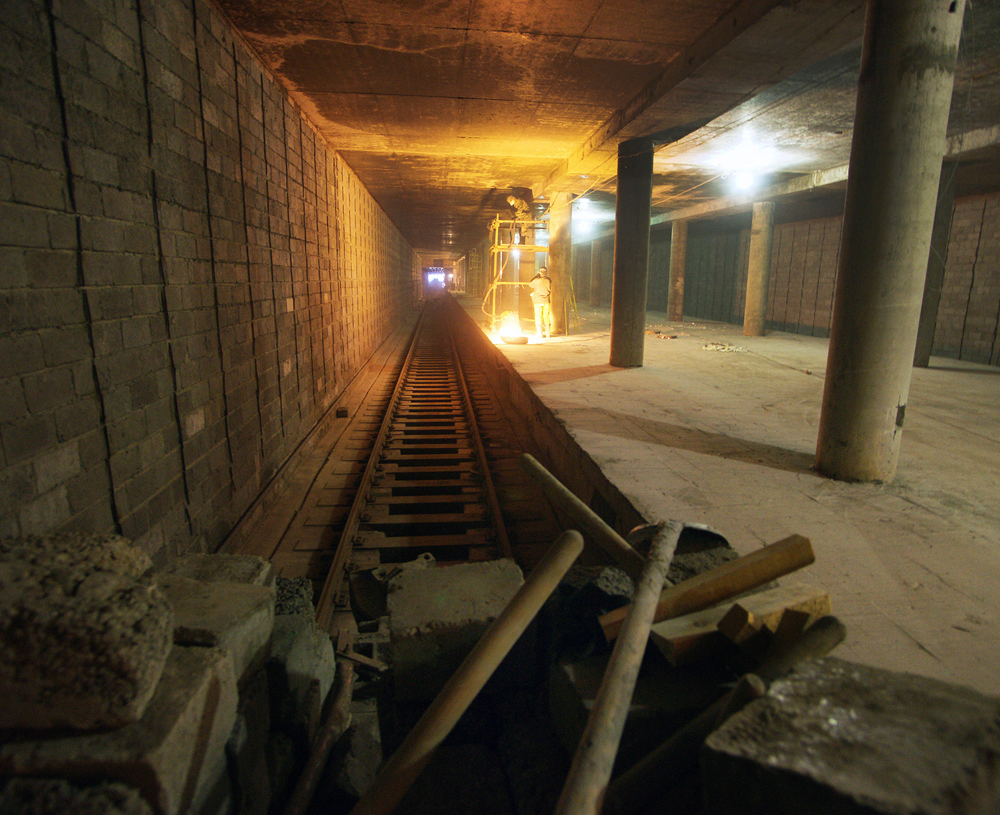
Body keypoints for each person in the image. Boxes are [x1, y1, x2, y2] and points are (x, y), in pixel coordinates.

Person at [527, 266, 552, 338]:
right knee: (546, 317)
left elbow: (530, 284)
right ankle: (547, 334)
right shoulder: (548, 280)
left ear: (540, 272)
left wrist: (537, 276)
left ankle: (539, 333)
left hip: (537, 301)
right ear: (546, 272)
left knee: (538, 317)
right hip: (546, 301)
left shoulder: (536, 280)